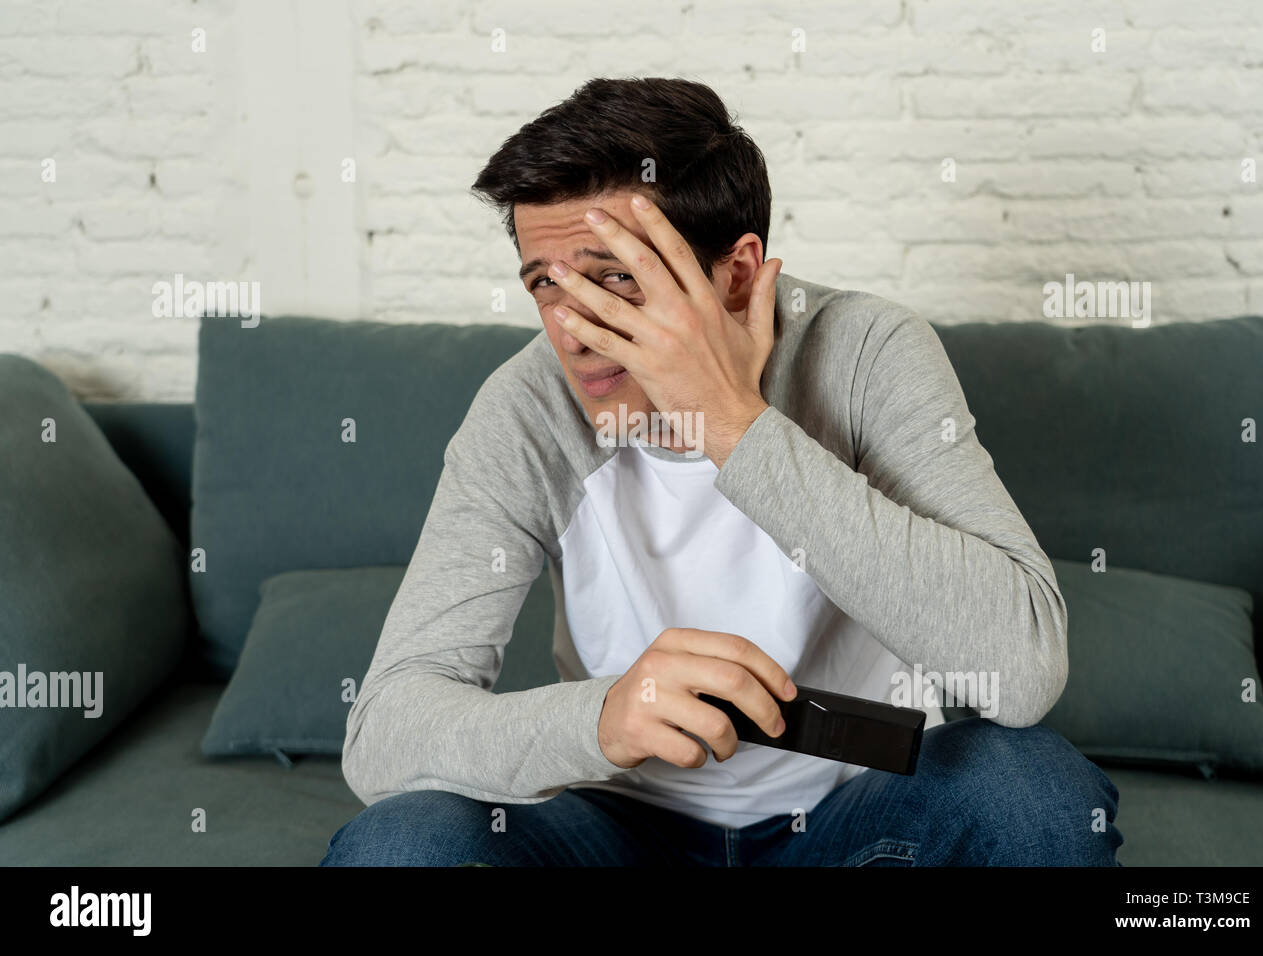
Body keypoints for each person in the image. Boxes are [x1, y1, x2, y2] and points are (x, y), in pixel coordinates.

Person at [320, 77, 1121, 866]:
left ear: (735, 274)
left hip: (854, 820)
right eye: (546, 286)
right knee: (402, 843)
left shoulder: (866, 353)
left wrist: (734, 423)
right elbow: (386, 730)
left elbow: (1018, 674)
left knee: (1033, 794)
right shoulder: (526, 409)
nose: (572, 332)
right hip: (615, 827)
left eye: (615, 278)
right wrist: (601, 720)